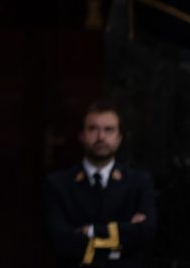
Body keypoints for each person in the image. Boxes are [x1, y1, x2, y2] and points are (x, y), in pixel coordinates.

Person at [44, 102, 156, 268]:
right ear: (81, 135)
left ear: (119, 137)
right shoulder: (59, 184)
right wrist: (121, 240)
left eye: (109, 129)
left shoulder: (138, 182)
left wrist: (90, 231)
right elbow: (60, 240)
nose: (101, 137)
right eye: (93, 129)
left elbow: (145, 232)